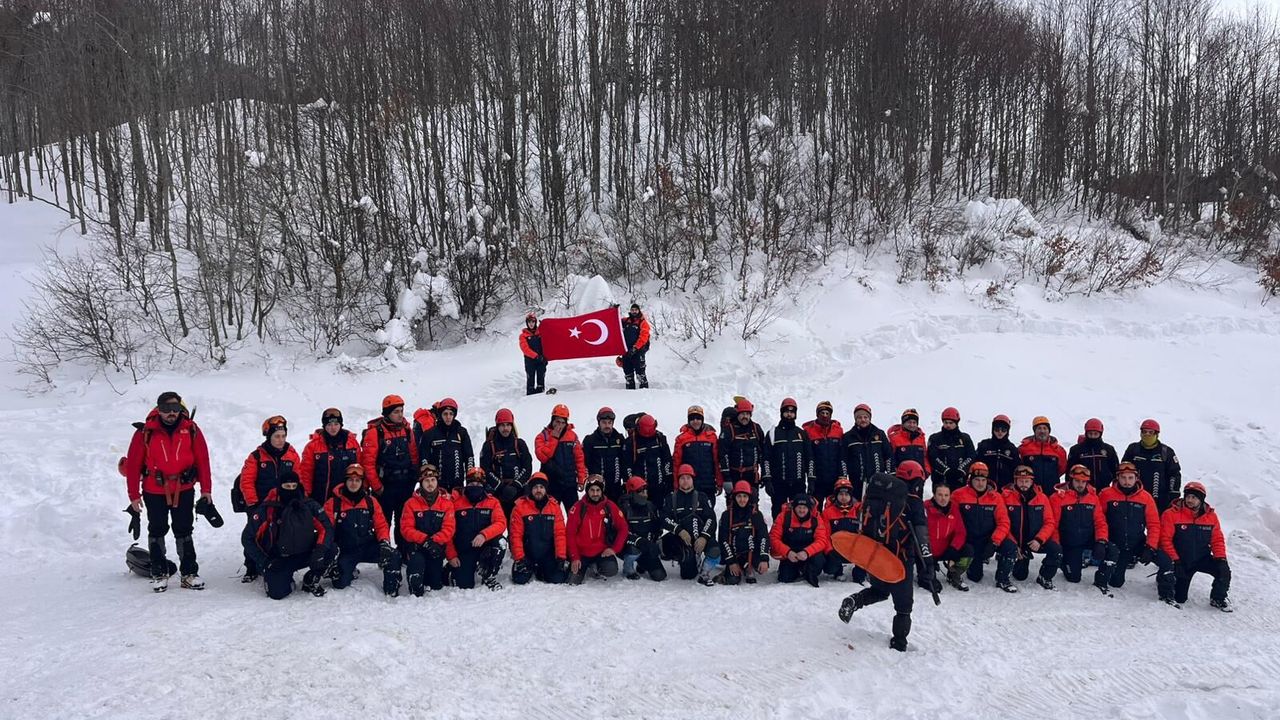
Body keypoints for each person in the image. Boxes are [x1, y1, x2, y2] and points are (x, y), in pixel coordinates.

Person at [837, 472, 938, 652]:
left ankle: (854, 600)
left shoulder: (880, 495)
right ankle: (899, 643)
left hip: (877, 552)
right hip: (901, 559)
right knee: (903, 606)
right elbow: (922, 537)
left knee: (880, 590)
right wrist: (928, 564)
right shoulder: (914, 503)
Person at [123, 391, 213, 592]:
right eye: (166, 408)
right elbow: (134, 464)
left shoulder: (191, 429)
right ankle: (159, 572)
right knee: (157, 529)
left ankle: (189, 573)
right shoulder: (145, 432)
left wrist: (206, 490)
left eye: (175, 408)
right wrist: (133, 495)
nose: (171, 413)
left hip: (184, 488)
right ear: (158, 409)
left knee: (184, 529)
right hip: (154, 489)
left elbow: (203, 460)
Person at [242, 471, 334, 600]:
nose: (291, 489)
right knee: (277, 593)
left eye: (293, 486)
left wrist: (320, 550)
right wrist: (264, 561)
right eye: (287, 486)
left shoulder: (309, 505)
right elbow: (247, 538)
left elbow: (326, 528)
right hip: (279, 559)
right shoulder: (268, 508)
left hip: (306, 552)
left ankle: (311, 578)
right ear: (280, 487)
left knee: (331, 549)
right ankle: (285, 580)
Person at [1094, 461, 1173, 601]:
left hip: (1137, 542)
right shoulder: (1106, 494)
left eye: (1130, 478)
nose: (1127, 482)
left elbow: (1154, 524)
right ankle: (1101, 579)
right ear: (1117, 478)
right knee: (1116, 582)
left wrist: (1150, 547)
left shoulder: (1146, 497)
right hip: (1115, 544)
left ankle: (1166, 593)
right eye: (1123, 478)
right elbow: (1099, 520)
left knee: (1166, 561)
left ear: (1136, 478)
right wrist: (1102, 541)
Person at [239, 415, 302, 582]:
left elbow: (299, 479)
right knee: (254, 535)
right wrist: (253, 504)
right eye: (277, 436)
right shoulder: (256, 457)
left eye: (283, 436)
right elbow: (246, 481)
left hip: (283, 504)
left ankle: (279, 562)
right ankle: (251, 567)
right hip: (260, 504)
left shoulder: (292, 456)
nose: (281, 440)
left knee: (279, 534)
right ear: (268, 437)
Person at [322, 465, 400, 596]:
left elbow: (381, 525)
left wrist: (384, 542)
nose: (354, 483)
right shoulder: (333, 503)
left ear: (362, 483)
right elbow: (326, 530)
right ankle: (350, 571)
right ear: (345, 481)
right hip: (346, 550)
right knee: (340, 582)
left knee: (393, 555)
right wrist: (330, 553)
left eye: (357, 480)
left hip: (367, 546)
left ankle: (391, 588)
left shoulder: (371, 502)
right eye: (350, 480)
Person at [1160, 482, 1231, 611]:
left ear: (1201, 499)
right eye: (1188, 496)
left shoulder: (1211, 516)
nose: (1190, 500)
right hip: (1181, 561)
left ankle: (1218, 598)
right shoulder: (1171, 514)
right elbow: (1165, 540)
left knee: (1223, 571)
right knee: (1180, 598)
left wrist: (1220, 558)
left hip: (1202, 558)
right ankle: (1164, 578)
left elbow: (1217, 539)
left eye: (1194, 497)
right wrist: (1175, 560)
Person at [360, 395, 420, 549]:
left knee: (404, 521)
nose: (400, 415)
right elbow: (368, 463)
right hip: (385, 486)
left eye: (401, 411)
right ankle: (382, 550)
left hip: (405, 485)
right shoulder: (375, 433)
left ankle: (404, 550)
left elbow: (414, 455)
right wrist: (377, 486)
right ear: (387, 413)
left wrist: (414, 476)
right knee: (382, 521)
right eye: (396, 412)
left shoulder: (407, 430)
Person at [951, 463, 1018, 591]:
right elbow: (952, 521)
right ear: (970, 479)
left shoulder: (996, 497)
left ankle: (1003, 579)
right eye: (977, 480)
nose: (980, 483)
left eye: (983, 480)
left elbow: (1004, 522)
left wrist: (994, 541)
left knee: (1010, 547)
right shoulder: (958, 495)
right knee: (975, 577)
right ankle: (964, 566)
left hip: (989, 539)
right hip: (969, 540)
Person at [1002, 464, 1062, 590]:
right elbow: (1002, 523)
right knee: (1020, 576)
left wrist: (1039, 539)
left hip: (1035, 540)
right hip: (1015, 541)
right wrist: (1013, 544)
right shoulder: (1005, 497)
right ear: (1015, 481)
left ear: (1032, 482)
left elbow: (1050, 522)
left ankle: (1045, 577)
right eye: (1021, 481)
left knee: (1056, 550)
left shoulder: (1042, 498)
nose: (1024, 484)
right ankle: (1009, 567)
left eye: (1027, 481)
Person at [400, 464, 456, 596]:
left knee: (435, 585)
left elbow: (449, 528)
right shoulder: (410, 503)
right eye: (426, 481)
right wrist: (425, 541)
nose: (430, 484)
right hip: (417, 547)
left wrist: (434, 541)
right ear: (421, 483)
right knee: (416, 582)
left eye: (433, 480)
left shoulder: (447, 504)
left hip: (436, 548)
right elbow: (406, 529)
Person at [449, 468, 509, 590]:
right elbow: (448, 530)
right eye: (471, 484)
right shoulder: (455, 503)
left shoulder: (492, 502)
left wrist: (484, 535)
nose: (475, 486)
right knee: (464, 585)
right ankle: (452, 569)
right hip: (464, 548)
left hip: (485, 546)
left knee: (501, 542)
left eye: (478, 484)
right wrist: (451, 555)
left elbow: (501, 523)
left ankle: (489, 575)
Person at [1051, 464, 1107, 584]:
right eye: (1077, 481)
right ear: (1071, 479)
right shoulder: (1057, 497)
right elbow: (1053, 524)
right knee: (1074, 578)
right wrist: (1057, 545)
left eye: (1084, 481)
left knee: (1112, 550)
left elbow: (1100, 522)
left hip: (1088, 538)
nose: (1080, 484)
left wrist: (1101, 541)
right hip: (1070, 542)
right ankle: (1064, 561)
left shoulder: (1093, 497)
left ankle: (1103, 579)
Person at [660, 465, 718, 581]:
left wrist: (704, 537)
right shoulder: (671, 498)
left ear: (692, 479)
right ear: (678, 480)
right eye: (682, 478)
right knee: (688, 575)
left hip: (700, 536)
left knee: (715, 550)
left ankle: (705, 570)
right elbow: (664, 518)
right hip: (682, 539)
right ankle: (683, 557)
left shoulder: (702, 497)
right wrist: (679, 530)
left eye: (688, 478)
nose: (685, 481)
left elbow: (711, 519)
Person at [566, 476, 628, 583]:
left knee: (611, 570)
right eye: (592, 490)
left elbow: (623, 528)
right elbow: (570, 534)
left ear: (602, 491)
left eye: (598, 490)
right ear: (587, 491)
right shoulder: (578, 508)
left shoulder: (610, 506)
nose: (595, 494)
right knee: (572, 581)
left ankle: (595, 566)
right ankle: (585, 566)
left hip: (601, 552)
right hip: (581, 554)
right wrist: (574, 557)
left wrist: (614, 549)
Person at [509, 473, 569, 585]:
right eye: (535, 487)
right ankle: (533, 568)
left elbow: (560, 534)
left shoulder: (554, 507)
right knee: (519, 579)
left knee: (558, 578)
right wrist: (519, 558)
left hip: (548, 554)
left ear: (545, 489)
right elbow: (515, 535)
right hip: (527, 555)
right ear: (531, 489)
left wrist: (561, 557)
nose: (538, 490)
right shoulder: (520, 507)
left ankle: (542, 570)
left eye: (541, 487)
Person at [300, 408, 362, 505]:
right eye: (329, 425)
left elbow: (360, 467)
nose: (333, 428)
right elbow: (305, 473)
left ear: (341, 425)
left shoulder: (352, 443)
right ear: (324, 426)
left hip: (346, 498)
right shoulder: (312, 446)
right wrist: (306, 496)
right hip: (321, 499)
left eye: (336, 424)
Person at [479, 407, 533, 520]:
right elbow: (485, 469)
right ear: (497, 426)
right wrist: (500, 486)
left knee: (517, 526)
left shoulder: (520, 444)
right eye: (502, 425)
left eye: (508, 425)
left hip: (518, 491)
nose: (505, 428)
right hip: (497, 492)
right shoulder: (489, 445)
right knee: (497, 524)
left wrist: (516, 485)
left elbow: (527, 467)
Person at [714, 481, 770, 584]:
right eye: (739, 496)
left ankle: (750, 566)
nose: (742, 500)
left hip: (752, 553)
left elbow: (763, 537)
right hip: (734, 553)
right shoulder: (727, 515)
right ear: (734, 497)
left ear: (749, 497)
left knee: (761, 567)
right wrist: (731, 562)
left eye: (745, 496)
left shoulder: (756, 514)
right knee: (733, 580)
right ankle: (731, 570)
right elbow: (723, 540)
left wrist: (764, 558)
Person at [535, 404, 588, 510]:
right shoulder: (542, 436)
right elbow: (543, 457)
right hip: (551, 485)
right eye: (557, 421)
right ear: (552, 420)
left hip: (570, 484)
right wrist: (554, 438)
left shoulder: (572, 436)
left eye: (563, 422)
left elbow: (579, 459)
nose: (560, 425)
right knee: (551, 515)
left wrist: (581, 479)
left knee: (574, 515)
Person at [1122, 419, 1182, 512]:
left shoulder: (1166, 452)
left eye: (1151, 432)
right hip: (1135, 496)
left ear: (1157, 434)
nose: (1147, 435)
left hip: (1160, 500)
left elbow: (1174, 473)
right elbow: (1123, 469)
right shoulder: (1133, 449)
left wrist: (1173, 493)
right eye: (1144, 432)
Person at [769, 494, 830, 586]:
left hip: (809, 553)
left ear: (809, 508)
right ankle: (795, 570)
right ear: (794, 507)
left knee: (818, 562)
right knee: (785, 578)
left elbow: (821, 540)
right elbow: (773, 538)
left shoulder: (816, 518)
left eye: (804, 508)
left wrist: (807, 552)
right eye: (799, 507)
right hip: (791, 553)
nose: (801, 510)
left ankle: (806, 570)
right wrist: (787, 552)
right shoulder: (784, 517)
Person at [418, 397, 474, 493]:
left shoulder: (462, 432)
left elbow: (469, 457)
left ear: (454, 415)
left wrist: (471, 478)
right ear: (440, 414)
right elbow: (424, 458)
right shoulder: (429, 434)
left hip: (457, 485)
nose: (448, 417)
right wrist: (427, 480)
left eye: (451, 414)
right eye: (445, 414)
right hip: (436, 486)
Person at [767, 398, 811, 519]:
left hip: (798, 483)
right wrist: (767, 480)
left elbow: (809, 458)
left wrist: (811, 480)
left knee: (798, 516)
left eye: (792, 412)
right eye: (786, 411)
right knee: (778, 515)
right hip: (778, 484)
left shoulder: (801, 434)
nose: (789, 414)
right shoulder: (773, 433)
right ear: (781, 413)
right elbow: (766, 459)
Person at [720, 397, 771, 498]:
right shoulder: (729, 430)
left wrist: (764, 474)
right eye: (742, 414)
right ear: (738, 414)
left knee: (753, 502)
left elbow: (763, 453)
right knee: (733, 503)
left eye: (747, 414)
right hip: (734, 474)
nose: (745, 417)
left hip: (751, 475)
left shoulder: (756, 429)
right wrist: (726, 478)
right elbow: (723, 454)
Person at [617, 476, 666, 581]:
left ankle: (642, 564)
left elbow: (657, 527)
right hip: (630, 546)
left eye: (645, 489)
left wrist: (655, 541)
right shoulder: (624, 508)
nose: (644, 492)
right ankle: (628, 570)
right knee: (633, 550)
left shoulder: (650, 506)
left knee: (659, 575)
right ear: (632, 493)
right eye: (640, 490)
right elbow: (620, 533)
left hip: (647, 546)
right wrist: (639, 541)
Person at [673, 405, 723, 507]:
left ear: (702, 420)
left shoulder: (712, 437)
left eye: (698, 418)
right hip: (689, 485)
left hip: (708, 484)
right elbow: (676, 463)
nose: (695, 421)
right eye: (692, 419)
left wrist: (719, 482)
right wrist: (676, 485)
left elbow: (717, 461)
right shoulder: (681, 438)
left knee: (708, 511)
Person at [925, 483, 971, 591]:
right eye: (940, 495)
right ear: (934, 495)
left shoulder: (954, 509)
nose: (943, 498)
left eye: (946, 495)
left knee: (968, 550)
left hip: (946, 549)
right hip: (927, 551)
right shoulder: (925, 508)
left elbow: (960, 532)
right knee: (929, 582)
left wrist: (954, 547)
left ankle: (954, 574)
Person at [820, 477, 865, 583]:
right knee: (830, 568)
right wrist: (829, 551)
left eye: (846, 494)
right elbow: (825, 534)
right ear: (836, 496)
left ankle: (860, 572)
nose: (843, 497)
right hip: (836, 548)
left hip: (854, 547)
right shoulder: (827, 512)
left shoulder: (860, 511)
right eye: (840, 494)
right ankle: (837, 571)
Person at [842, 403, 890, 500]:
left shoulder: (879, 434)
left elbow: (888, 455)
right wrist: (843, 477)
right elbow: (843, 459)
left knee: (876, 505)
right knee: (857, 505)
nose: (863, 420)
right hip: (856, 481)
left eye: (865, 417)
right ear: (855, 419)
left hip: (878, 480)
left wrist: (891, 474)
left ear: (869, 418)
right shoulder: (848, 437)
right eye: (859, 417)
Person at [582, 406, 630, 500]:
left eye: (609, 423)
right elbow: (584, 463)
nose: (607, 425)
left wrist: (625, 480)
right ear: (599, 423)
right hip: (597, 488)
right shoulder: (590, 440)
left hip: (616, 486)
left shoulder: (619, 439)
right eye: (604, 422)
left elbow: (625, 461)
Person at [627, 414, 674, 510]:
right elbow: (627, 465)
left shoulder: (660, 439)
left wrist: (669, 482)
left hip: (659, 486)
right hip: (640, 488)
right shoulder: (632, 441)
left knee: (659, 510)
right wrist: (631, 483)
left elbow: (667, 460)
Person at [804, 400, 846, 506]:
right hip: (817, 479)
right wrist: (811, 478)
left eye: (827, 413)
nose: (825, 416)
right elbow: (808, 456)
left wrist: (843, 475)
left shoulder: (838, 430)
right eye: (822, 413)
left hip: (834, 479)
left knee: (833, 509)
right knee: (815, 508)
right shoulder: (808, 431)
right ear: (817, 414)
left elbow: (842, 455)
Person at [926, 407, 976, 490]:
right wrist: (946, 470)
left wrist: (962, 470)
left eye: (951, 423)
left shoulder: (965, 438)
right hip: (940, 480)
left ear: (957, 423)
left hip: (960, 480)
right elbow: (933, 457)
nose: (948, 425)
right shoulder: (935, 438)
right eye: (945, 422)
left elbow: (971, 456)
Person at [1017, 416, 1067, 495]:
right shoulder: (1024, 448)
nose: (1042, 431)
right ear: (1034, 431)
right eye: (1039, 428)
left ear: (1049, 430)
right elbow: (1018, 468)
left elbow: (1062, 469)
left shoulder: (1059, 450)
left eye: (1045, 428)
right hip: (1030, 493)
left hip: (1052, 492)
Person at [1067, 418, 1119, 493]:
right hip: (1082, 489)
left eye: (1095, 434)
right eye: (1090, 434)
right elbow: (1069, 472)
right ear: (1086, 433)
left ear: (1100, 433)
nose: (1093, 436)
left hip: (1104, 489)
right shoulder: (1076, 450)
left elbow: (1115, 470)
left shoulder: (1108, 449)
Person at [975, 414, 1020, 489]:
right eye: (997, 429)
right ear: (992, 429)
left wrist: (1013, 484)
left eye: (1003, 430)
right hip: (986, 487)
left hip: (1006, 489)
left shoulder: (1012, 449)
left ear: (1008, 431)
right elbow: (976, 465)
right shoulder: (984, 445)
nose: (1000, 432)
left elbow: (1016, 469)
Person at [888, 409, 930, 476]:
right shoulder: (894, 438)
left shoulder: (921, 438)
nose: (912, 425)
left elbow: (925, 457)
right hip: (900, 477)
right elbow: (889, 458)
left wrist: (927, 471)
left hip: (918, 476)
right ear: (903, 423)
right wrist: (893, 472)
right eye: (909, 422)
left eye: (914, 422)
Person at [620, 302, 652, 389]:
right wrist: (613, 309)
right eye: (632, 310)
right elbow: (615, 321)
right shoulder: (625, 321)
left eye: (636, 310)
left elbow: (644, 337)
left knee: (640, 374)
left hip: (638, 351)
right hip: (626, 351)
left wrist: (635, 348)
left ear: (639, 311)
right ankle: (629, 391)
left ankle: (644, 392)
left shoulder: (643, 322)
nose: (634, 311)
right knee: (628, 374)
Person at [519, 313, 547, 395]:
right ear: (527, 323)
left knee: (541, 378)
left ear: (535, 322)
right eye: (529, 322)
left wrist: (545, 327)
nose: (531, 324)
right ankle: (530, 395)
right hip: (530, 361)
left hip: (541, 360)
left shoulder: (541, 332)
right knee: (530, 378)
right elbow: (525, 349)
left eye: (533, 322)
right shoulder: (523, 335)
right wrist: (536, 356)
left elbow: (548, 341)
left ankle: (540, 394)